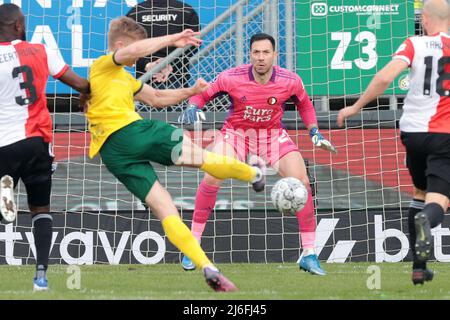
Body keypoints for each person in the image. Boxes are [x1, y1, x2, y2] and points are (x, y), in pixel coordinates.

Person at [86, 16, 265, 292]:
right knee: (200, 157)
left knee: (165, 207)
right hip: (130, 132)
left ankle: (207, 266)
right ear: (120, 45)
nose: (141, 54)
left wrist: (191, 91)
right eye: (138, 46)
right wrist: (172, 40)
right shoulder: (102, 65)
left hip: (114, 155)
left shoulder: (122, 79)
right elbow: (133, 52)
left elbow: (156, 98)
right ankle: (254, 173)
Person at [178, 33, 337, 275]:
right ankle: (192, 246)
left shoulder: (290, 80)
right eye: (256, 52)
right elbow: (203, 93)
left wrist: (314, 131)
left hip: (272, 136)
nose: (261, 58)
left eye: (265, 53)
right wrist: (193, 106)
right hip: (237, 134)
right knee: (212, 174)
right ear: (250, 54)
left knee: (302, 183)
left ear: (275, 55)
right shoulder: (231, 77)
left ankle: (309, 253)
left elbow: (305, 104)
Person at [337, 0, 449, 285]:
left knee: (419, 191)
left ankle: (418, 267)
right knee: (437, 202)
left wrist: (356, 107)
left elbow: (385, 76)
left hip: (412, 133)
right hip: (444, 134)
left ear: (424, 19)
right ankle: (428, 220)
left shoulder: (414, 44)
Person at [0, 4, 90, 291]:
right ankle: (41, 276)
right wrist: (86, 95)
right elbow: (78, 82)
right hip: (37, 142)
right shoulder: (40, 50)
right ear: (16, 26)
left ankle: (5, 197)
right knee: (41, 208)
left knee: (5, 191)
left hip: (4, 145)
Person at [126, 0, 200, 88]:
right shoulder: (186, 10)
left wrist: (148, 65)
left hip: (145, 80)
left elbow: (127, 48)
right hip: (176, 78)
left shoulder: (135, 12)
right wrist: (169, 65)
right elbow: (193, 44)